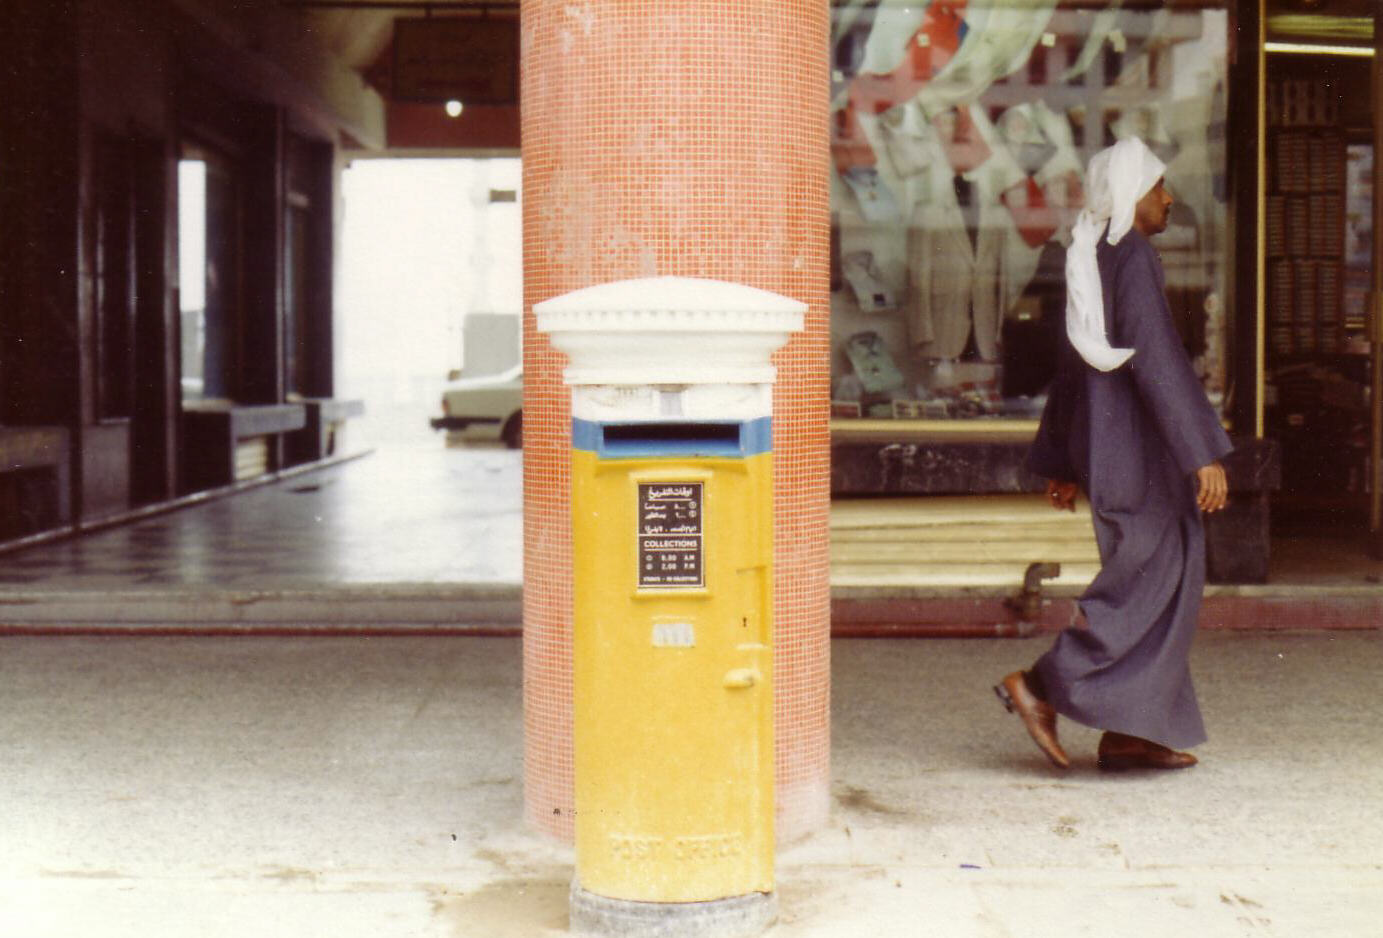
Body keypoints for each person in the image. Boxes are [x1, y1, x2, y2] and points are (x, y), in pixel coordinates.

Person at [994, 136, 1232, 772]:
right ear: (1132, 196)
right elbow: (1155, 358)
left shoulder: (1091, 256)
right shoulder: (1130, 256)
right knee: (1149, 579)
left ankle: (1131, 732)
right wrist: (1199, 452)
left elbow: (1074, 366)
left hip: (1109, 446)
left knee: (1156, 574)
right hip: (1142, 448)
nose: (1169, 198)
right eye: (1159, 187)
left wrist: (1061, 461)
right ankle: (1041, 686)